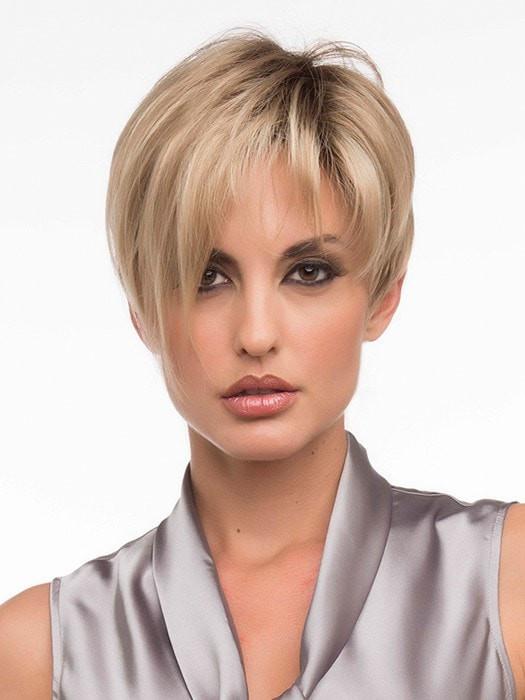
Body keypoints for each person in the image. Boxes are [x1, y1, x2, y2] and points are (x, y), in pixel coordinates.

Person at [1, 26, 524, 700]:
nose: (255, 334)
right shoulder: (40, 654)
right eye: (206, 277)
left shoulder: (503, 585)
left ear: (383, 294)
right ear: (142, 310)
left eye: (308, 272)